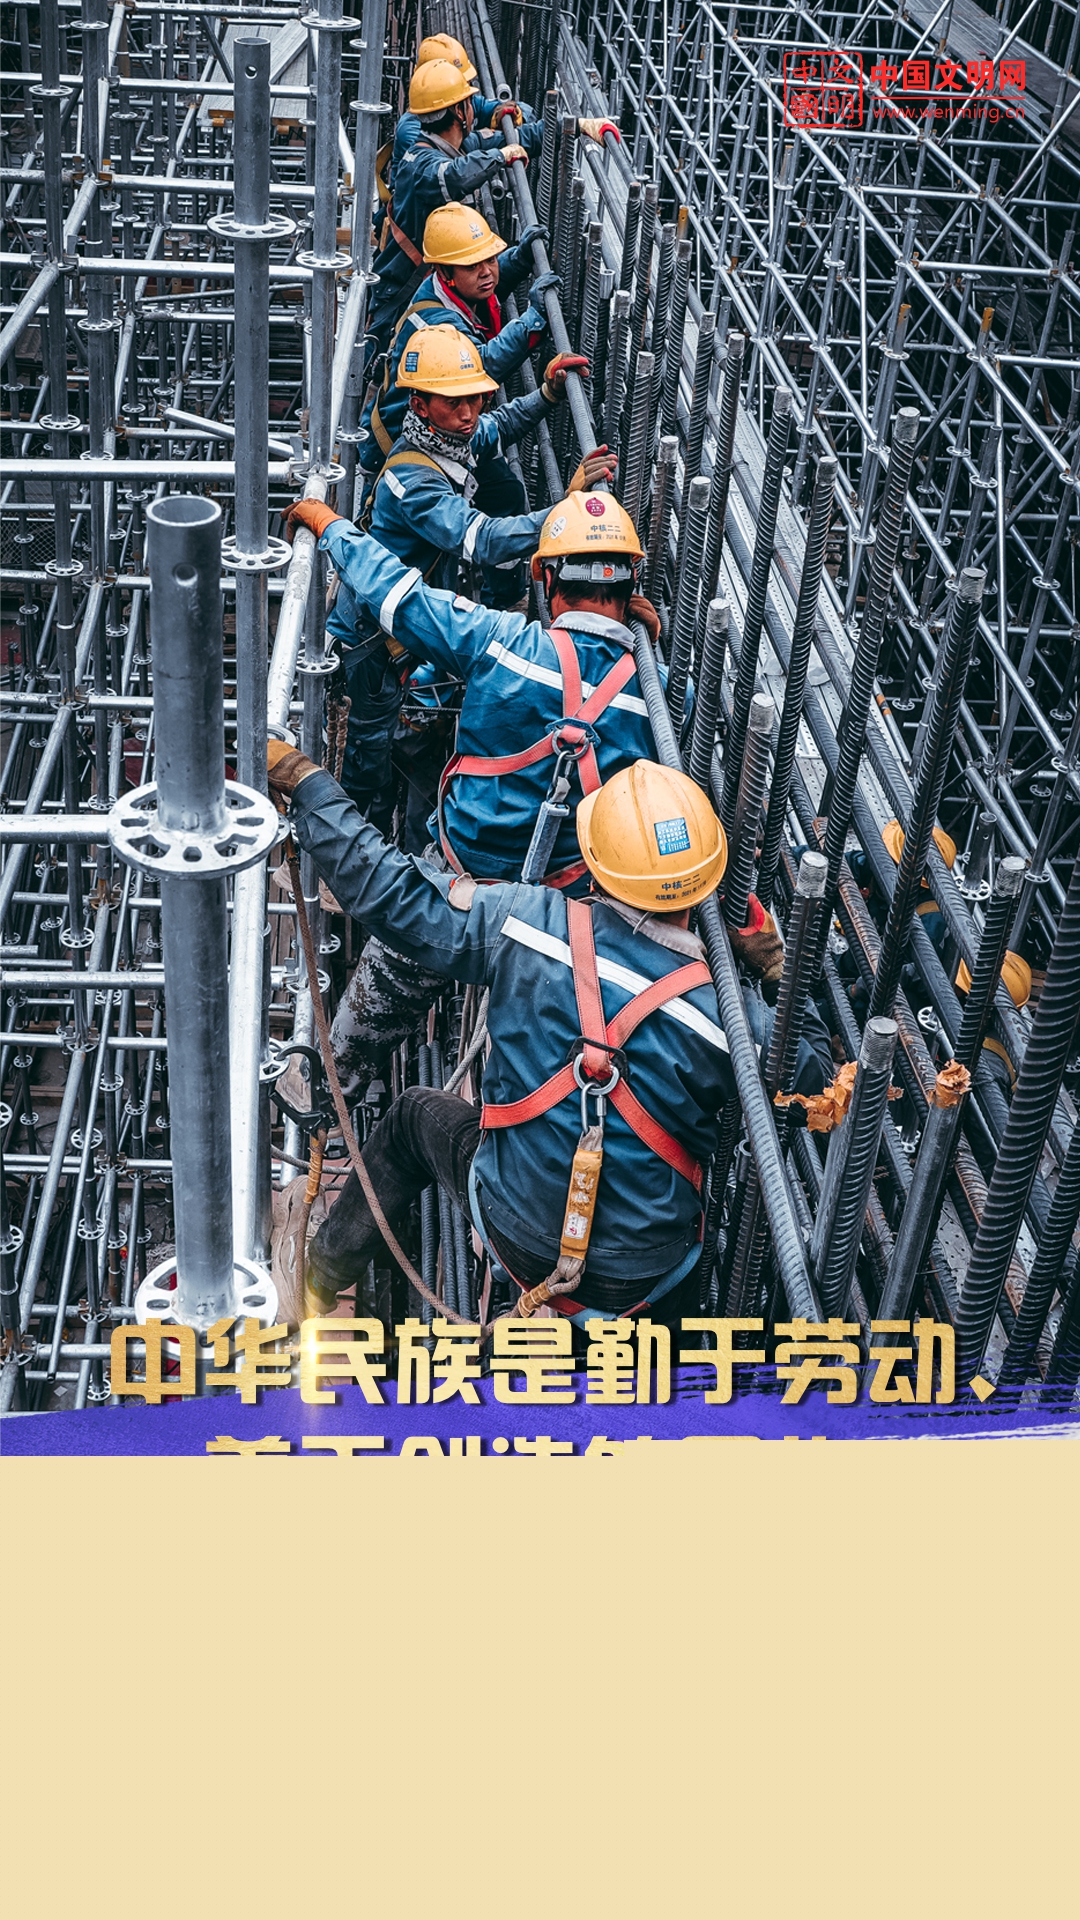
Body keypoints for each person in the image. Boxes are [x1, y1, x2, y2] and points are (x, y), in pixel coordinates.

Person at [266, 746, 831, 1324]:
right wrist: (778, 969)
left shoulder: (524, 926)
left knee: (414, 1118)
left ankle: (316, 1278)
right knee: (689, 1256)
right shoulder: (730, 1021)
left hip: (516, 1230)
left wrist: (310, 787)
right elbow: (817, 1083)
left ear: (595, 860)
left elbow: (389, 891)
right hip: (644, 1277)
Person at [288, 327, 611, 835]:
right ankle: (352, 841)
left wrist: (547, 393)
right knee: (367, 761)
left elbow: (499, 425)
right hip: (372, 643)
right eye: (454, 402)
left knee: (393, 739)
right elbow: (483, 540)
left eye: (474, 399)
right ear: (419, 405)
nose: (469, 413)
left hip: (400, 625)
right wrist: (566, 514)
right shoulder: (412, 482)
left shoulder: (447, 435)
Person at [367, 58, 615, 358]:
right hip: (401, 293)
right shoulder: (420, 165)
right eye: (470, 102)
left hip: (434, 281)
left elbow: (520, 138)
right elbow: (453, 175)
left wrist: (575, 126)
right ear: (460, 112)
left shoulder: (455, 146)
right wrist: (500, 157)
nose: (475, 107)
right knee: (396, 357)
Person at [360, 203, 559, 477]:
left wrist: (519, 259)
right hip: (406, 451)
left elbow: (483, 282)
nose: (486, 271)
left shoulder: (444, 288)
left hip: (441, 431)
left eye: (490, 259)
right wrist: (534, 319)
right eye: (472, 265)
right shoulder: (437, 323)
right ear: (444, 272)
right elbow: (484, 364)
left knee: (507, 489)